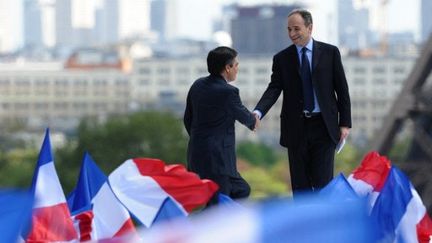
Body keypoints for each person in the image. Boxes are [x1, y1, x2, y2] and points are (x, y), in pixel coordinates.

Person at [253, 9, 351, 195]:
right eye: (289, 29)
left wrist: (345, 123)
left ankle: (323, 223)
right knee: (300, 187)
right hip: (296, 128)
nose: (292, 34)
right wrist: (258, 112)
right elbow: (274, 88)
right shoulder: (282, 58)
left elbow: (342, 89)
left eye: (296, 29)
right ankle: (304, 223)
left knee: (324, 185)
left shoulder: (330, 53)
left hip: (324, 126)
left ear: (310, 27)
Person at [184, 46, 259, 205]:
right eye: (236, 65)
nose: (237, 68)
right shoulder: (228, 92)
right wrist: (254, 120)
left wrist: (201, 141)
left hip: (197, 155)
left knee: (241, 190)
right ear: (227, 68)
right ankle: (203, 226)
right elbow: (245, 117)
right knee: (219, 206)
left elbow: (187, 119)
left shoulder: (197, 85)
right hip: (218, 160)